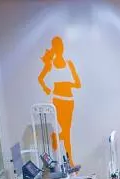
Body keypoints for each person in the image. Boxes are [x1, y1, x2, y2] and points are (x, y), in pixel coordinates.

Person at [38, 36, 82, 165]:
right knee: (67, 132)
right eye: (57, 47)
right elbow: (40, 78)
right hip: (57, 101)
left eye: (61, 46)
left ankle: (57, 139)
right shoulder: (50, 65)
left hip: (69, 101)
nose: (60, 49)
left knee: (67, 130)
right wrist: (46, 88)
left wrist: (67, 84)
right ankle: (70, 160)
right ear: (55, 48)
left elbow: (78, 83)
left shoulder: (69, 64)